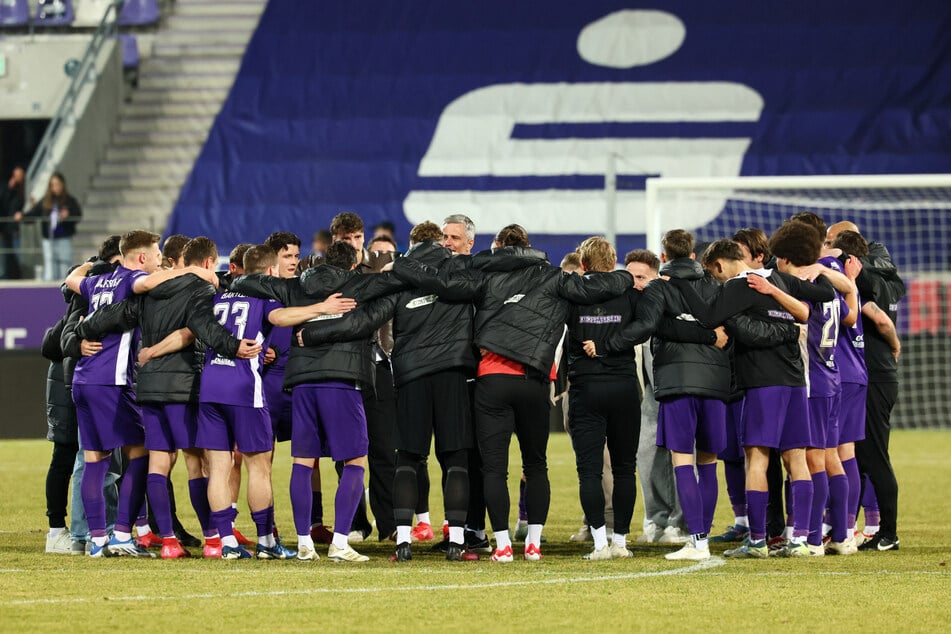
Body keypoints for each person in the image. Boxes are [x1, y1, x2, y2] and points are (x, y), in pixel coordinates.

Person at [392, 223, 633, 562]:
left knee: (494, 469)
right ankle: (533, 544)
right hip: (533, 380)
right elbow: (597, 287)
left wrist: (403, 264)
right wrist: (626, 278)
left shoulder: (483, 275)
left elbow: (442, 284)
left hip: (491, 380)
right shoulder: (553, 277)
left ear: (499, 247)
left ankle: (503, 545)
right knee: (536, 465)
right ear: (528, 246)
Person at [298, 221, 481, 562]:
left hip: (410, 376)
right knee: (455, 457)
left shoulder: (402, 278)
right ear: (443, 244)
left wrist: (311, 335)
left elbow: (362, 322)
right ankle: (457, 542)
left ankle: (403, 542)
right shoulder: (463, 271)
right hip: (452, 373)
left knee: (408, 458)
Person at [231, 239, 397, 562]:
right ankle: (339, 543)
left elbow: (243, 280)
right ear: (352, 264)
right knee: (355, 461)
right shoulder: (360, 283)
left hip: (302, 383)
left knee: (303, 462)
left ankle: (305, 542)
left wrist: (235, 277)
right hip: (342, 381)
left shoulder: (296, 285)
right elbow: (398, 283)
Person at [671, 238, 835, 558]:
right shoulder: (781, 278)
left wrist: (680, 282)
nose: (715, 279)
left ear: (719, 265)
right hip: (795, 382)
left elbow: (707, 317)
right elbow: (825, 293)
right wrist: (819, 270)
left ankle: (757, 541)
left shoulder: (737, 286)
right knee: (796, 459)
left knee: (757, 459)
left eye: (713, 273)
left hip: (761, 383)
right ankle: (800, 541)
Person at [200, 244, 353, 560]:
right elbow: (281, 317)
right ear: (270, 271)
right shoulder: (263, 297)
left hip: (210, 385)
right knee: (259, 465)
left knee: (218, 467)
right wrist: (320, 308)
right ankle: (267, 541)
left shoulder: (219, 297)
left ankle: (225, 542)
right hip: (244, 387)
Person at [827, 224, 903, 551]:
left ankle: (887, 532)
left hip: (872, 374)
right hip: (871, 373)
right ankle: (849, 528)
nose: (825, 248)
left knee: (873, 455)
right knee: (857, 455)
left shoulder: (862, 283)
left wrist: (894, 343)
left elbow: (881, 319)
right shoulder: (877, 279)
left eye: (830, 243)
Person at [625, 249, 688, 545]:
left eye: (641, 277)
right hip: (649, 397)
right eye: (630, 277)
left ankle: (680, 523)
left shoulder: (670, 305)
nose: (635, 283)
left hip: (677, 392)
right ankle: (655, 518)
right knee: (647, 454)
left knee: (682, 456)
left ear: (657, 278)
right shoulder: (627, 307)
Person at [17, 172, 82, 281]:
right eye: (53, 185)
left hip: (63, 238)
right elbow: (34, 213)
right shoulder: (45, 201)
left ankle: (65, 291)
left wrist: (68, 214)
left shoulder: (69, 201)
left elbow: (78, 215)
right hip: (49, 239)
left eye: (58, 184)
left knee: (64, 266)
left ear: (63, 185)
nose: (56, 187)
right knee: (50, 268)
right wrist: (22, 216)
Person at [0, 165, 25, 279]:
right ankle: (5, 275)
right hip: (5, 227)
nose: (17, 178)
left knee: (16, 254)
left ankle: (17, 275)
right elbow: (4, 204)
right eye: (16, 175)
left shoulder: (23, 191)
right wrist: (9, 189)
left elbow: (21, 206)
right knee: (5, 254)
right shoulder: (7, 189)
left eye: (20, 176)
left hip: (15, 228)